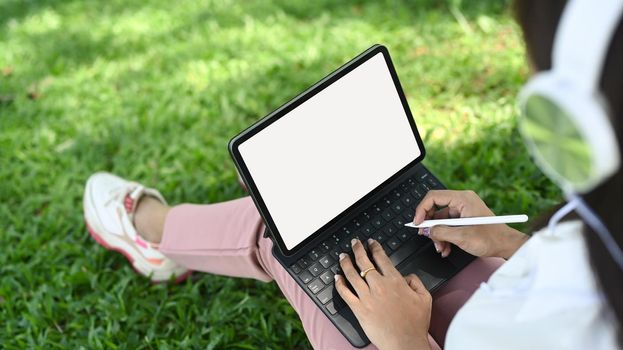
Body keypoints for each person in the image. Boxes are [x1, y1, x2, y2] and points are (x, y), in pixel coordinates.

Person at [82, 0, 623, 348]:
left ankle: (156, 235)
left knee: (289, 243)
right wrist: (507, 242)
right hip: (500, 308)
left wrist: (403, 341)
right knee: (340, 230)